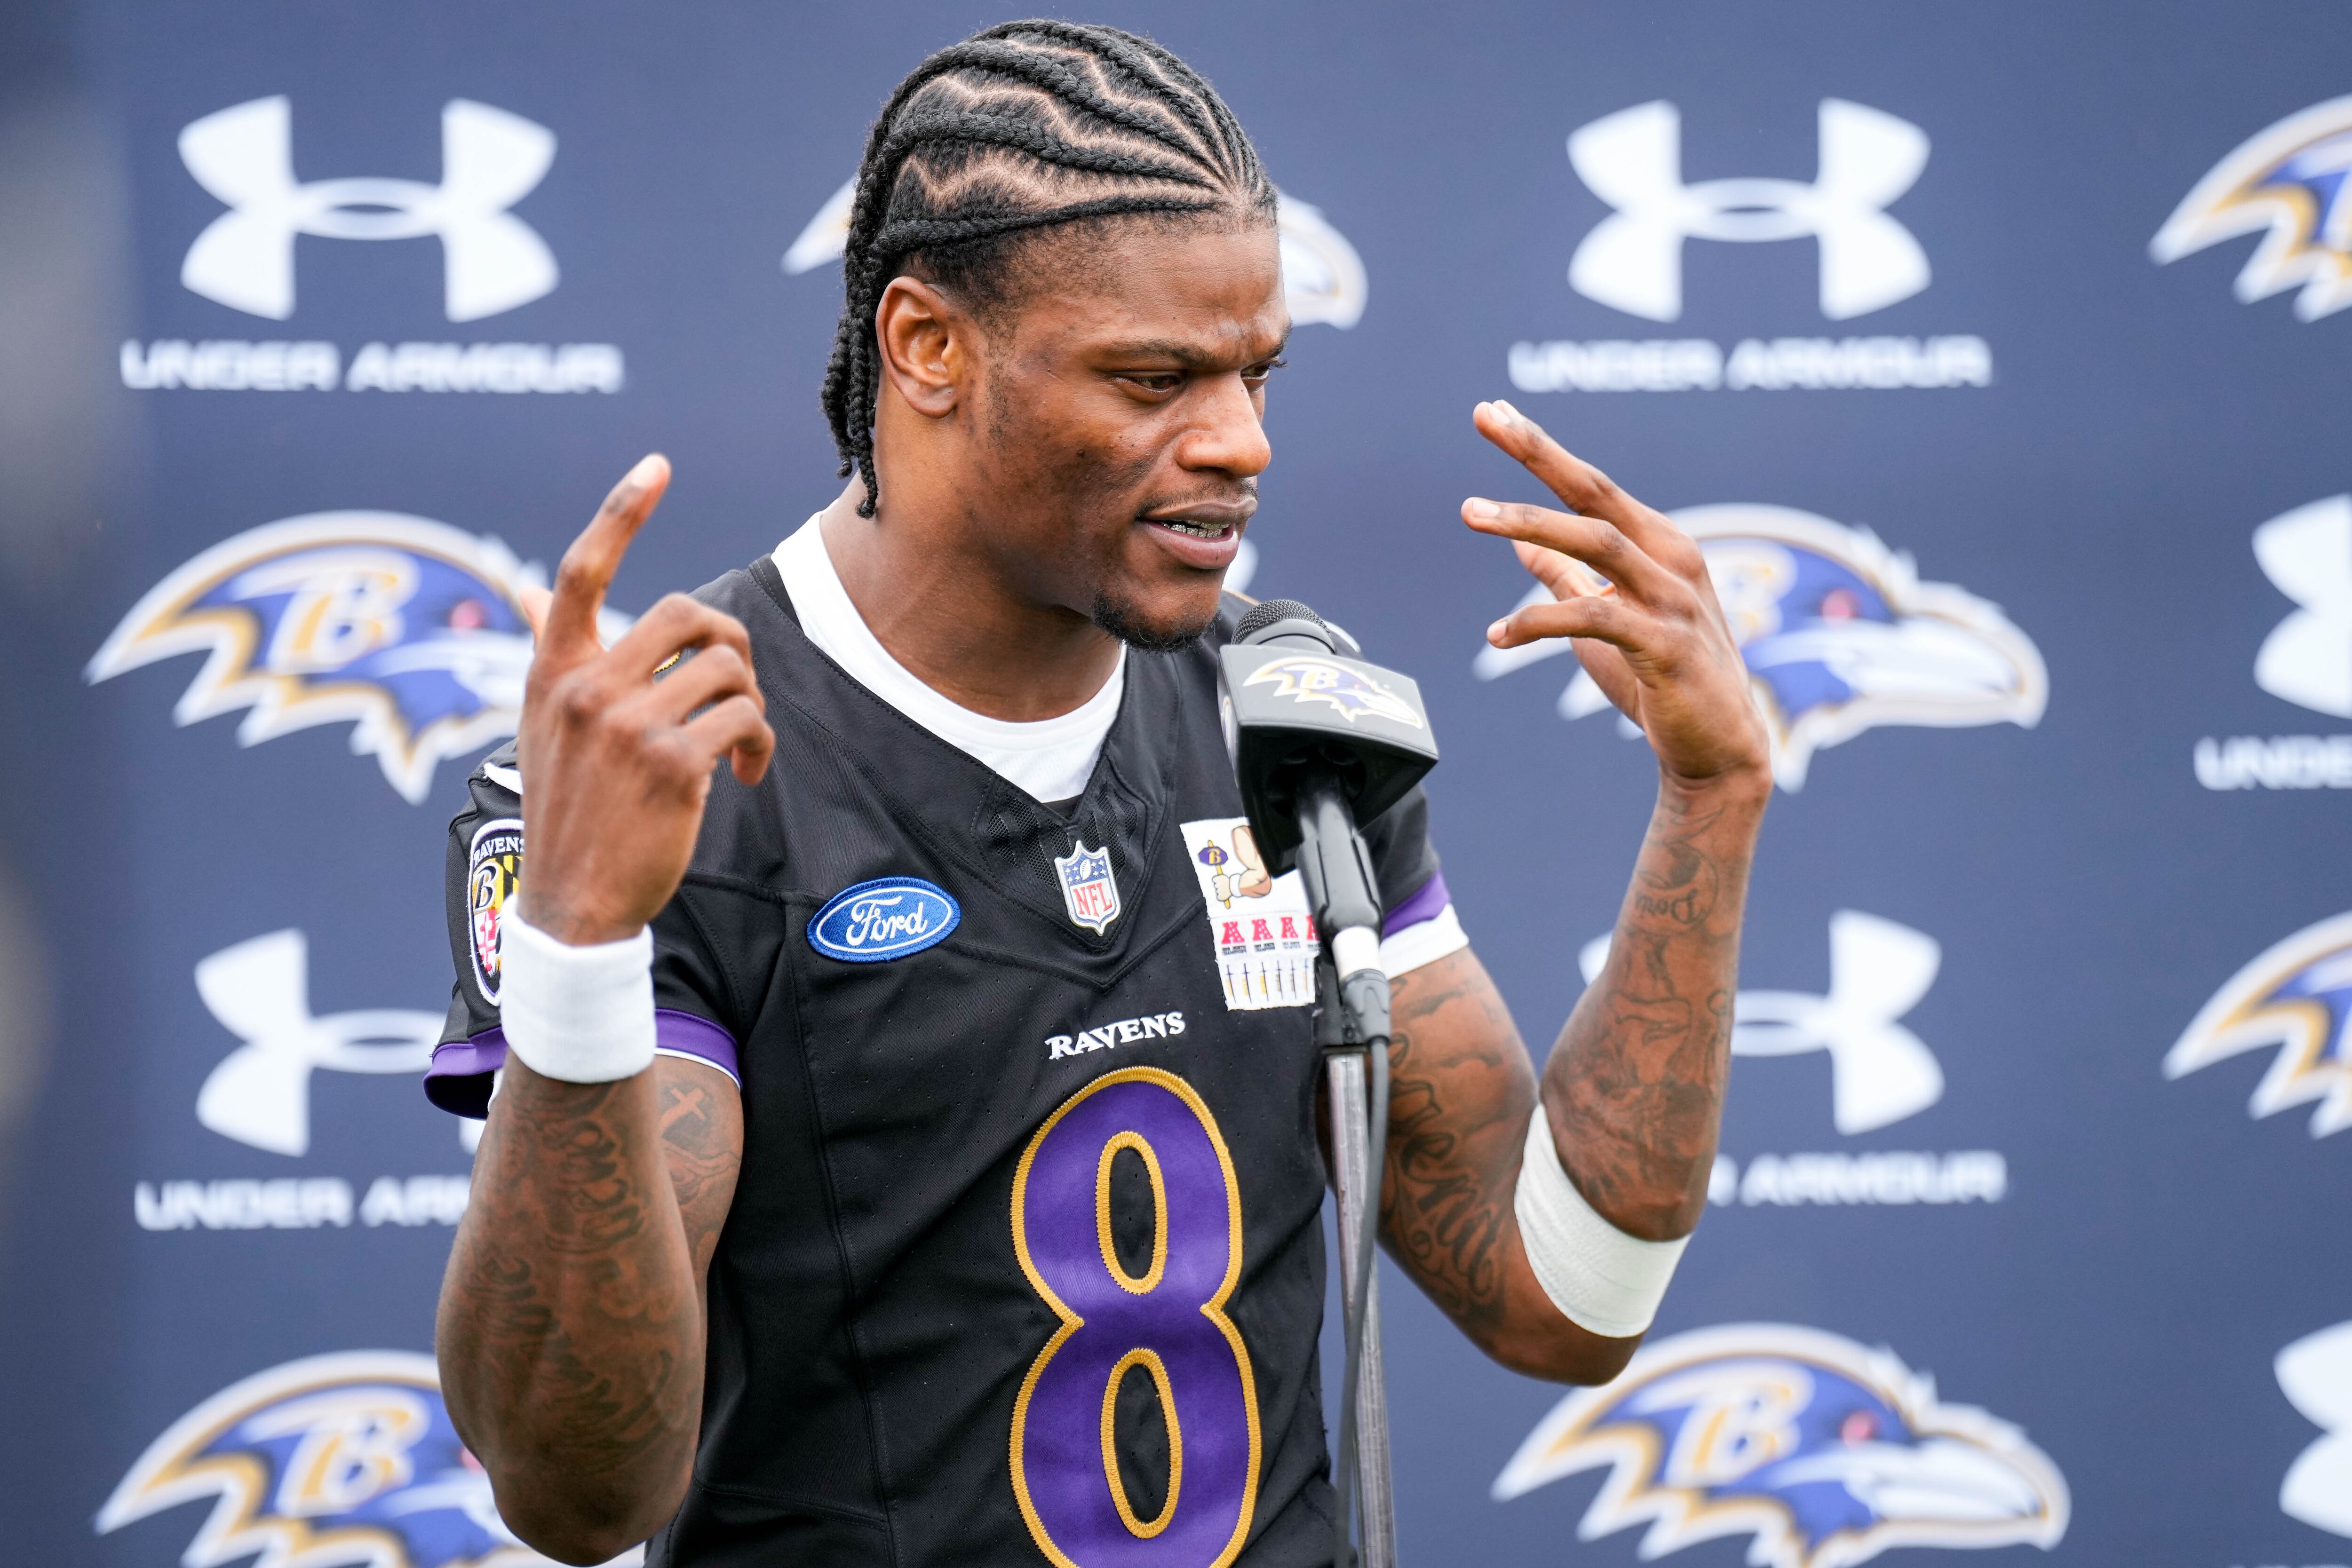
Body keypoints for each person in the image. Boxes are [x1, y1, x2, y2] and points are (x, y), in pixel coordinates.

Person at [426, 20, 1770, 1568]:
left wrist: (1713, 795)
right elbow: (577, 1495)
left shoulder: (1292, 717)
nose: (1242, 442)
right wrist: (582, 946)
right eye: (1155, 378)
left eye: (1258, 374)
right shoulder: (679, 772)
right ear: (928, 347)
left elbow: (1562, 1301)